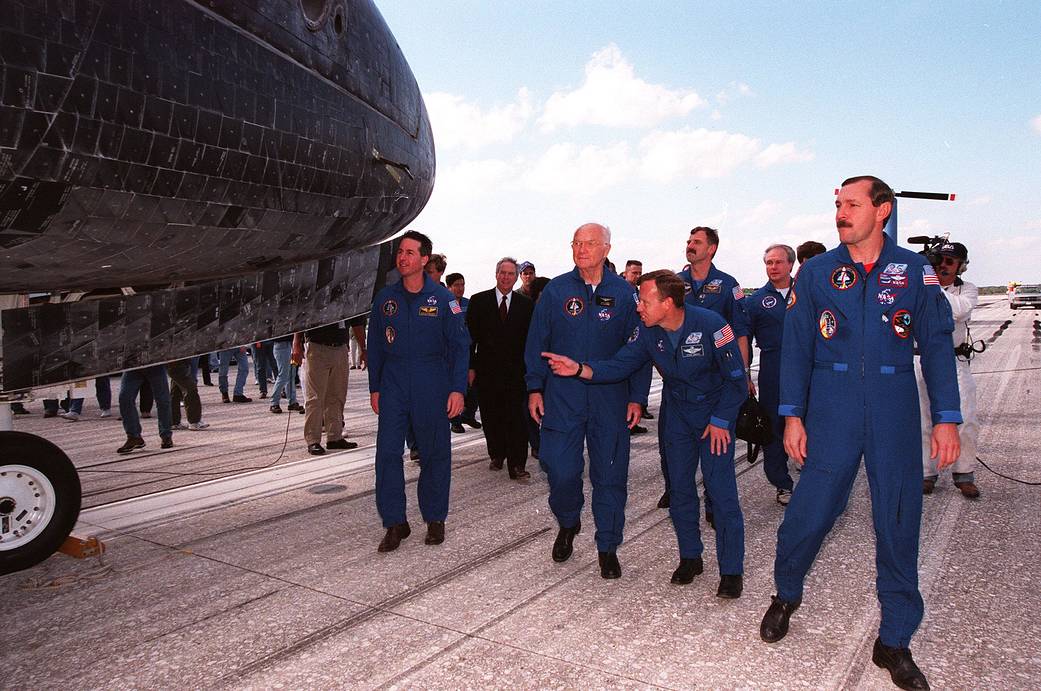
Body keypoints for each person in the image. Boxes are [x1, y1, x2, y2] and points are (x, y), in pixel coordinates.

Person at [760, 175, 961, 691]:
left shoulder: (916, 270)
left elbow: (937, 346)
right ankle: (786, 594)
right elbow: (798, 346)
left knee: (898, 518)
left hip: (894, 405)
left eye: (851, 204)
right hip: (832, 405)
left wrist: (946, 418)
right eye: (837, 204)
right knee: (810, 512)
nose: (840, 213)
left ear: (883, 210)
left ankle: (893, 639)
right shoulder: (818, 272)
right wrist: (792, 415)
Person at [542, 270, 747, 597]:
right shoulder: (649, 332)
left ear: (667, 303)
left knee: (720, 493)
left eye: (645, 300)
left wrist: (722, 420)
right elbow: (620, 365)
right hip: (678, 414)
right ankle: (691, 557)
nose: (638, 307)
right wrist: (579, 369)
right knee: (679, 489)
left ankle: (732, 570)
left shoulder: (712, 326)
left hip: (713, 416)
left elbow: (738, 381)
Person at [524, 223, 650, 579]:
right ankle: (568, 521)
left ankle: (607, 546)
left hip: (610, 397)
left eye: (590, 243)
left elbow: (638, 350)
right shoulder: (555, 292)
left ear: (607, 248)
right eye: (576, 243)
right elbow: (537, 342)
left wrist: (637, 397)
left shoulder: (626, 295)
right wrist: (535, 387)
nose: (581, 249)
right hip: (562, 397)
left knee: (610, 475)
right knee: (559, 468)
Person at [367, 231, 470, 552]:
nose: (402, 257)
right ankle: (394, 521)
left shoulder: (443, 299)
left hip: (432, 382)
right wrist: (375, 387)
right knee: (386, 453)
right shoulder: (386, 299)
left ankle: (435, 517)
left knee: (435, 452)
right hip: (394, 383)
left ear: (425, 259)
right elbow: (375, 347)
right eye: (400, 252)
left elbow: (460, 346)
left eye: (410, 253)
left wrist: (457, 389)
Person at [659, 226, 750, 515]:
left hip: (717, 378)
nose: (690, 245)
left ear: (711, 249)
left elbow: (740, 332)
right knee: (670, 441)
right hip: (680, 380)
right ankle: (675, 490)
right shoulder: (674, 283)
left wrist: (744, 374)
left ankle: (714, 499)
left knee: (716, 443)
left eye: (696, 242)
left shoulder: (727, 284)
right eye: (688, 241)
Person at [919, 241, 980, 499]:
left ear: (961, 266)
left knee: (965, 417)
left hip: (954, 360)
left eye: (949, 262)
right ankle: (926, 473)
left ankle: (964, 472)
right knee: (922, 419)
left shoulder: (967, 290)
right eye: (939, 260)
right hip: (919, 359)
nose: (942, 266)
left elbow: (957, 311)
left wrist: (931, 284)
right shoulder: (920, 285)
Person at [467, 257, 534, 480]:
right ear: (496, 275)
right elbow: (470, 339)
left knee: (517, 418)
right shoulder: (479, 301)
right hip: (487, 371)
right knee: (491, 416)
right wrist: (470, 367)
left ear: (516, 277)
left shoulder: (526, 305)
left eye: (511, 274)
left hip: (516, 373)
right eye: (502, 273)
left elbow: (531, 340)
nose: (506, 277)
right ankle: (497, 454)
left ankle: (517, 464)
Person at [745, 244, 797, 505]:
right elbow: (745, 339)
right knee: (774, 426)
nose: (773, 267)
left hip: (805, 366)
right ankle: (782, 483)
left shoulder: (808, 294)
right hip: (772, 367)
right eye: (768, 263)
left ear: (791, 264)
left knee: (810, 423)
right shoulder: (755, 302)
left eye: (778, 262)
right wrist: (745, 375)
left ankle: (815, 482)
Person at [293, 320, 362, 455]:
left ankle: (335, 436)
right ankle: (313, 440)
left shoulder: (347, 298)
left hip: (341, 347)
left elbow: (356, 322)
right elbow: (301, 317)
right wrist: (296, 344)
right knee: (315, 397)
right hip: (317, 346)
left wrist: (363, 348)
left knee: (337, 395)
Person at [446, 272, 482, 433]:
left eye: (462, 285)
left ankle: (469, 414)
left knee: (473, 385)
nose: (460, 288)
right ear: (449, 287)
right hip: (450, 352)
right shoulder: (447, 303)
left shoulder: (469, 303)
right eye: (456, 285)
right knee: (454, 386)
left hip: (467, 349)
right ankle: (454, 420)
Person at [621, 259, 653, 431]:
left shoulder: (639, 293)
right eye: (634, 273)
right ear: (626, 273)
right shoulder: (621, 291)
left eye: (640, 273)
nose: (637, 276)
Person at [117, 364, 174, 453]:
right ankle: (134, 437)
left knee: (163, 400)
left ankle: (166, 435)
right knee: (124, 398)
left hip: (154, 363)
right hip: (132, 365)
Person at [167, 358, 208, 430]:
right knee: (190, 389)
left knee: (175, 391)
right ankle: (194, 422)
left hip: (176, 362)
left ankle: (173, 421)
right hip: (176, 361)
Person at [269, 334, 302, 414]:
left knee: (291, 374)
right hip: (281, 344)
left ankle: (292, 402)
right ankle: (274, 403)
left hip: (292, 344)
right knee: (283, 375)